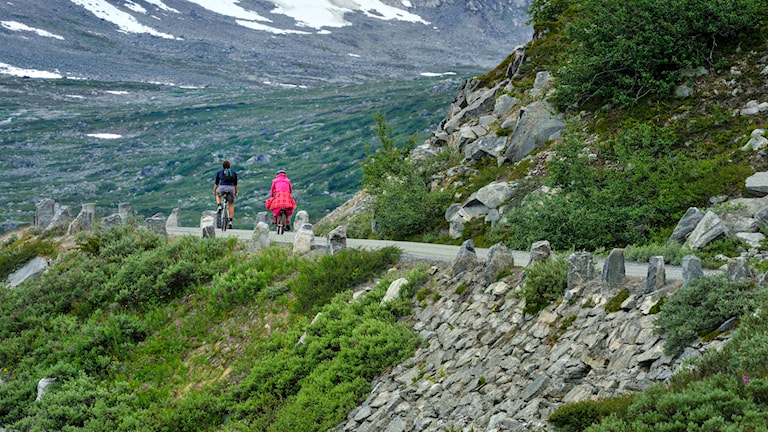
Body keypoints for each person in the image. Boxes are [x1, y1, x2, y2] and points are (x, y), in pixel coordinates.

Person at [214, 160, 238, 229]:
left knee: (217, 194)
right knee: (231, 204)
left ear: (223, 166)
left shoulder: (219, 172)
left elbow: (216, 183)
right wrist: (236, 192)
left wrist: (214, 190)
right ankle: (230, 222)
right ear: (229, 166)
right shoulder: (233, 173)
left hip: (222, 187)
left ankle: (219, 206)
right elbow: (235, 185)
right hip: (231, 189)